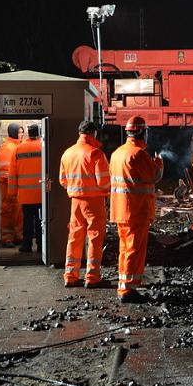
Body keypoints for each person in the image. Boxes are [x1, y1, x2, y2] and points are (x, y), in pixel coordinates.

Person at [110, 116, 164, 303]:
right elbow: (154, 176)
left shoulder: (117, 153)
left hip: (120, 210)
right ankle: (128, 290)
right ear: (142, 132)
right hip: (136, 210)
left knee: (125, 249)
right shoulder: (138, 154)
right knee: (134, 249)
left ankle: (124, 284)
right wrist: (159, 163)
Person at [59, 121, 111, 288]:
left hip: (75, 202)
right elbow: (104, 183)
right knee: (95, 238)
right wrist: (110, 193)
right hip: (94, 202)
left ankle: (70, 275)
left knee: (74, 237)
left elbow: (63, 181)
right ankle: (92, 277)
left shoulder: (67, 153)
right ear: (93, 133)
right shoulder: (95, 153)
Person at [11, 124, 43, 253]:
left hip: (26, 193)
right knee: (41, 221)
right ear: (39, 133)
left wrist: (12, 191)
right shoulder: (43, 147)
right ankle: (41, 246)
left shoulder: (19, 149)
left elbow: (13, 172)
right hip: (41, 193)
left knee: (27, 221)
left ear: (28, 134)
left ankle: (27, 245)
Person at [0, 123, 24, 247]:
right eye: (19, 132)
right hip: (9, 185)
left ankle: (17, 236)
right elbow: (6, 170)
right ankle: (7, 238)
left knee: (18, 211)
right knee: (8, 210)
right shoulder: (8, 148)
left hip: (14, 185)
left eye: (22, 132)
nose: (22, 134)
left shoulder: (15, 146)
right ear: (13, 133)